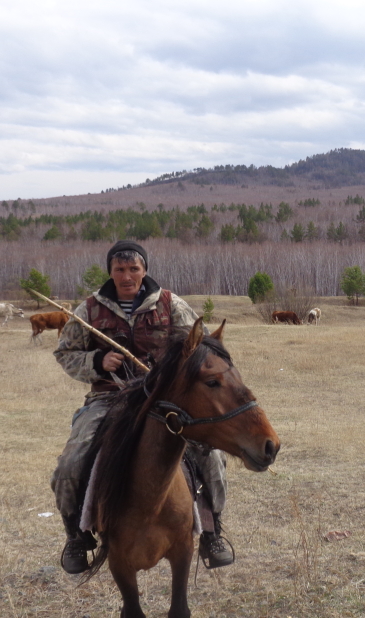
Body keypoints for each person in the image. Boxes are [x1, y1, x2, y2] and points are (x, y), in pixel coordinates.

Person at [50, 240, 233, 574]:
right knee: (70, 464)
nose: (127, 276)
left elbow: (202, 347)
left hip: (163, 399)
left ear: (144, 270)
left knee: (211, 455)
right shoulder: (89, 309)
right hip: (108, 398)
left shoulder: (169, 304)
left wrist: (174, 370)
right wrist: (97, 360)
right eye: (119, 269)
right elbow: (64, 353)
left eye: (134, 268)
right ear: (111, 272)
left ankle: (211, 531)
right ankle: (77, 536)